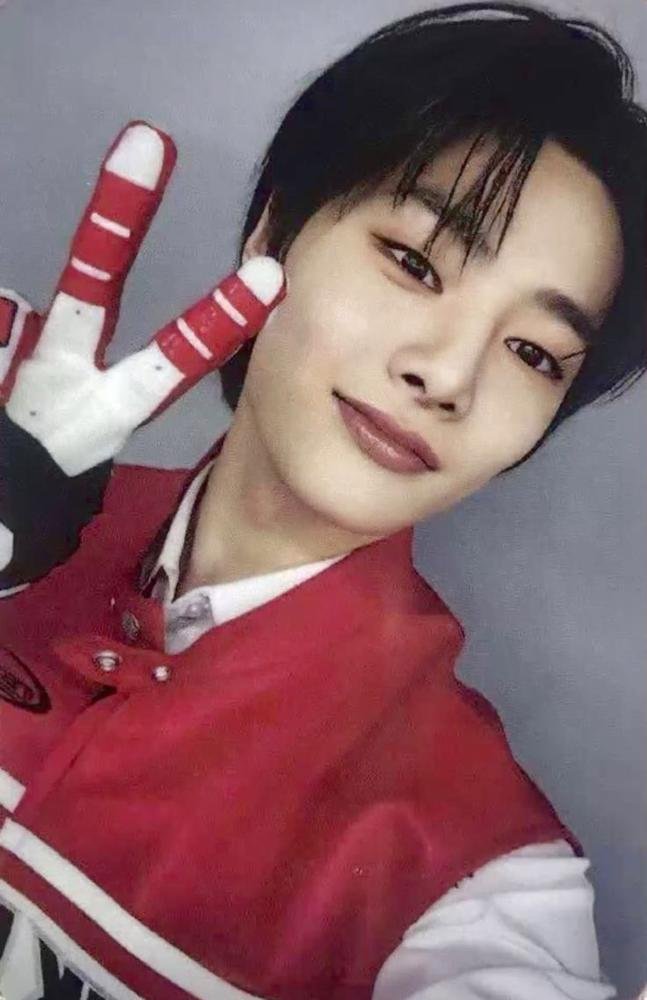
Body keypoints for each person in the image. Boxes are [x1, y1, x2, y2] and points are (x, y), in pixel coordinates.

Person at [0, 3, 645, 997]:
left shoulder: (469, 869)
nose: (447, 375)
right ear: (274, 231)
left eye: (533, 353)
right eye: (414, 262)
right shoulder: (25, 519)